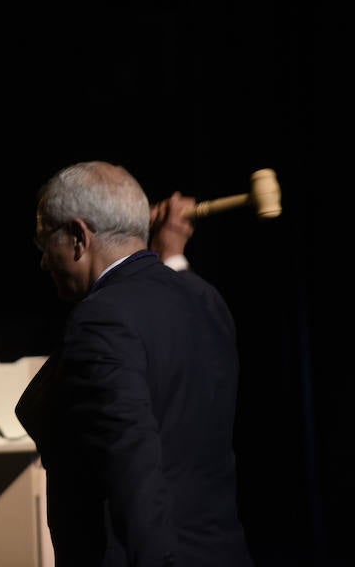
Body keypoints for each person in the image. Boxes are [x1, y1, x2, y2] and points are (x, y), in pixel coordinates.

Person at [15, 161, 254, 566]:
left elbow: (131, 463)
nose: (43, 262)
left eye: (44, 243)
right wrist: (169, 250)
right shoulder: (204, 299)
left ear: (78, 236)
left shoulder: (101, 317)